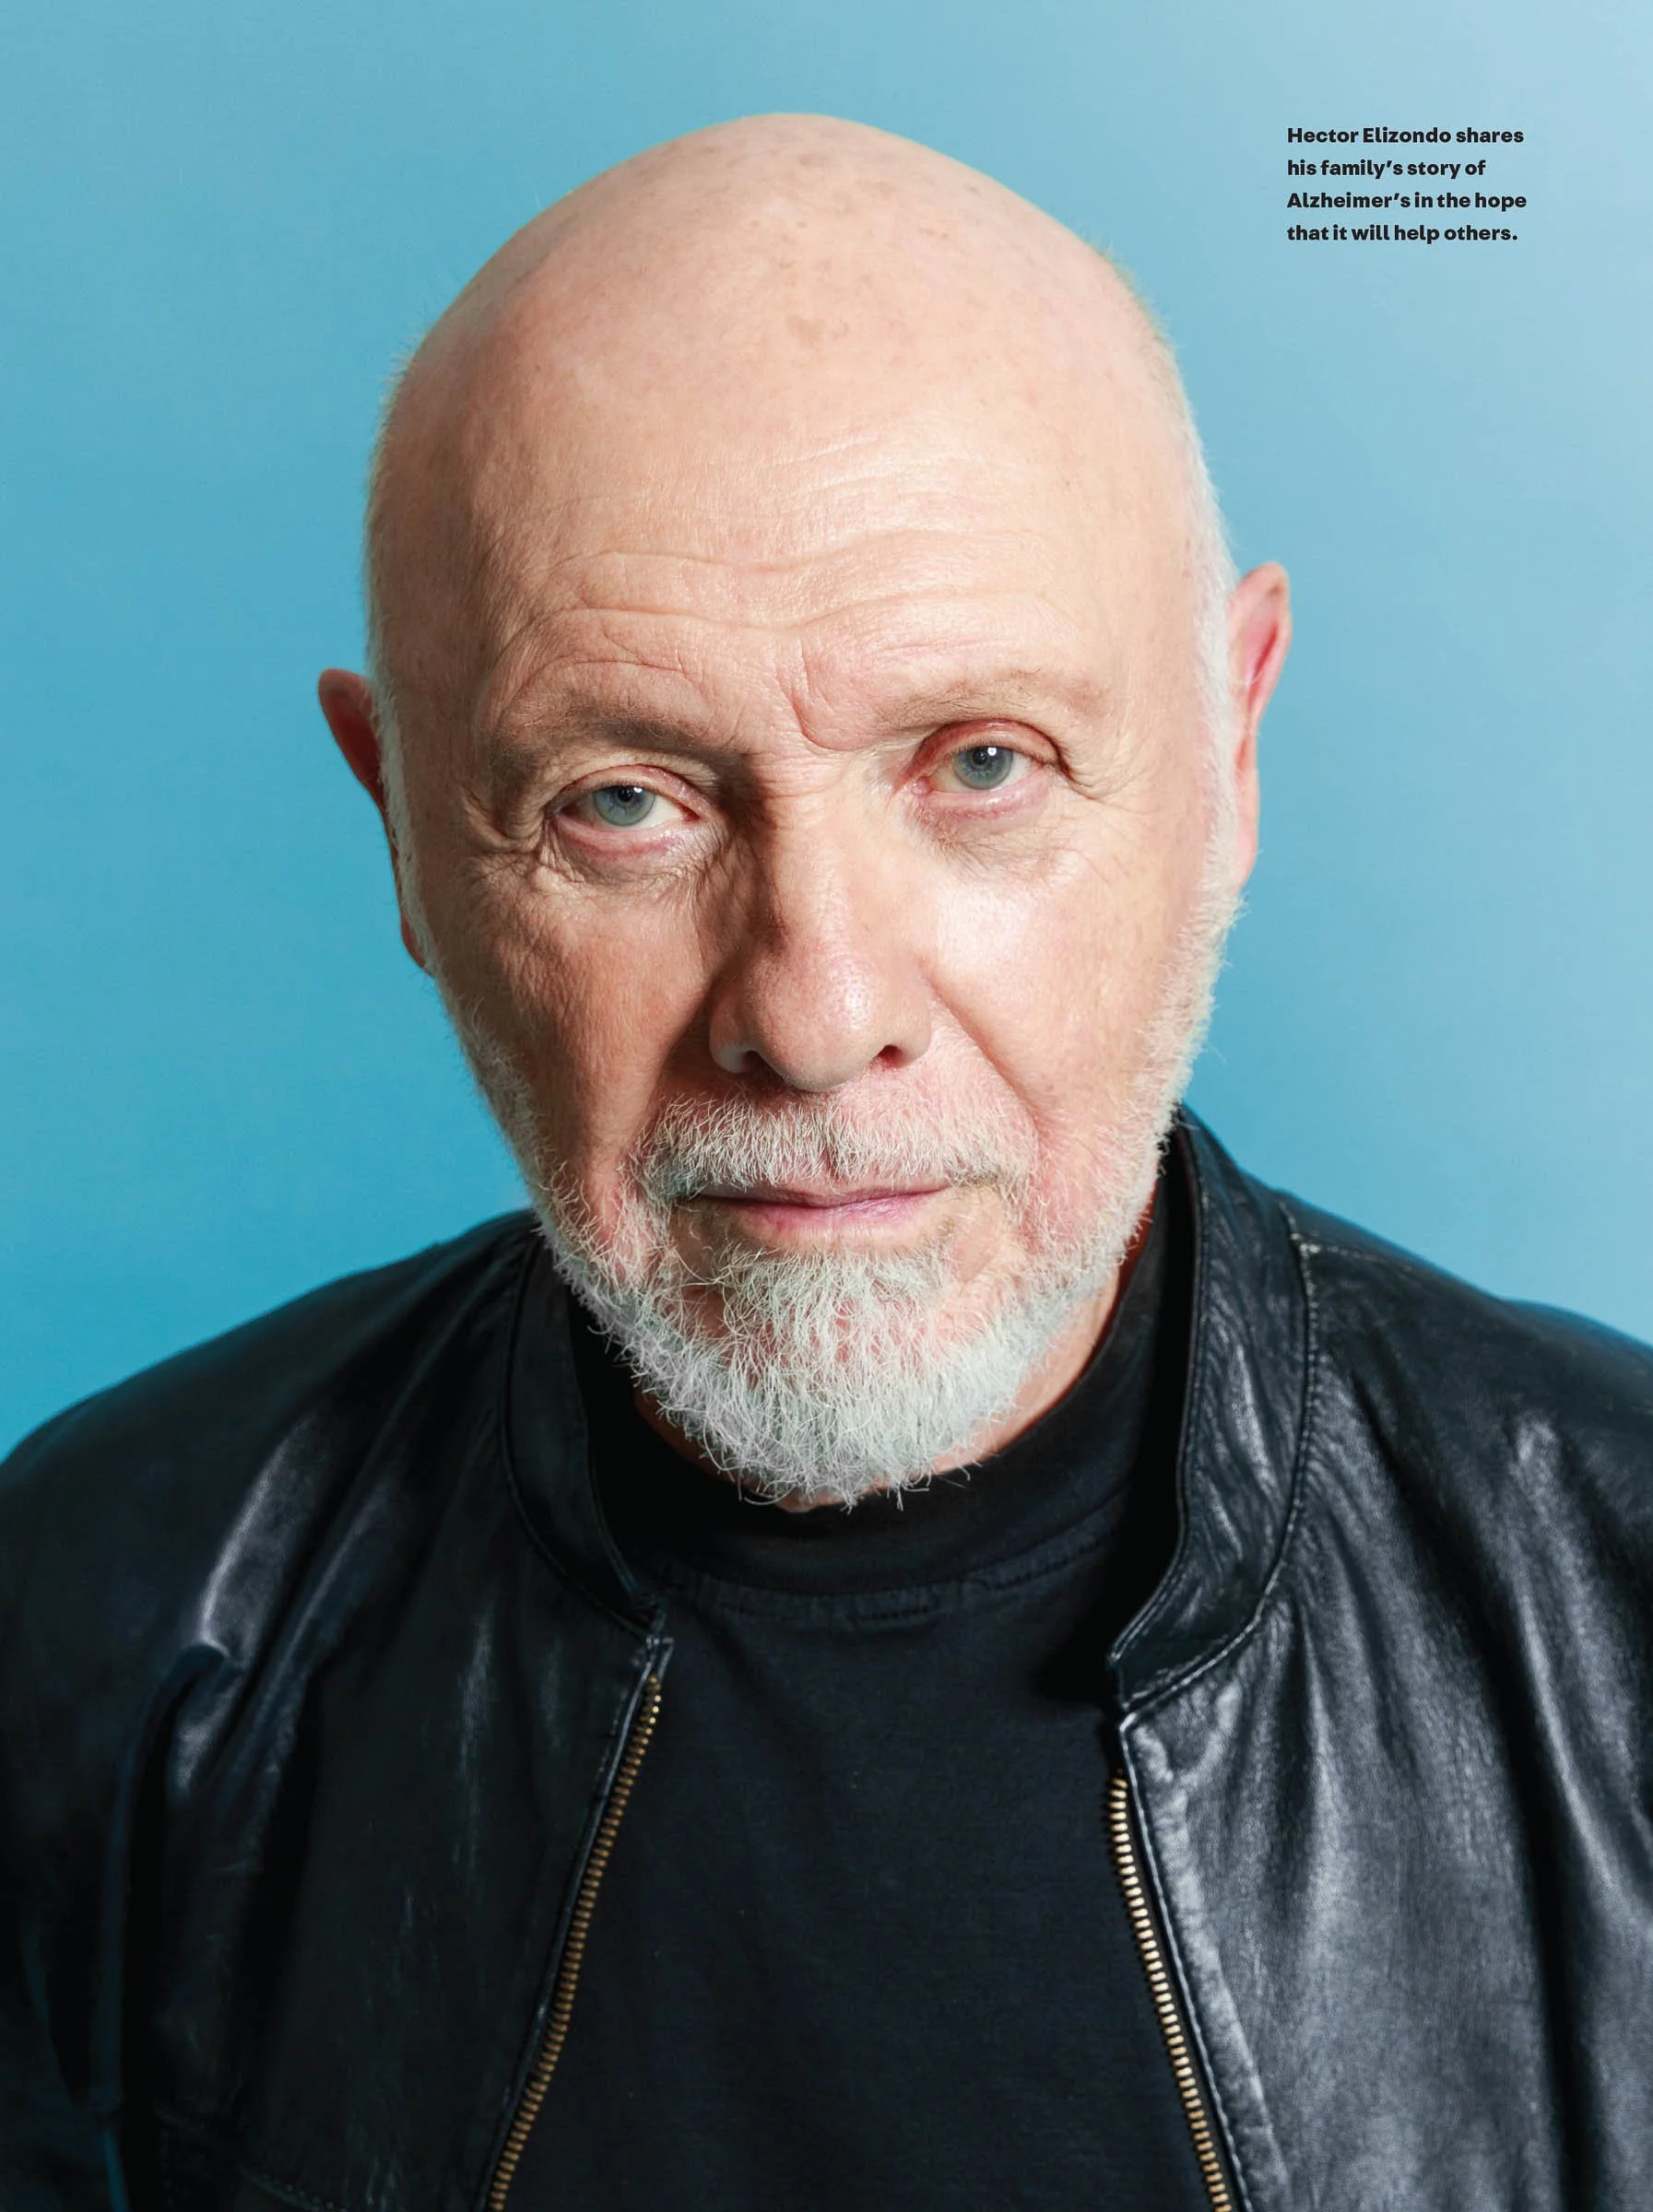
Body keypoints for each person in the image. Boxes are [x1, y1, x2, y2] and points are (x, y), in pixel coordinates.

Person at [2, 112, 1649, 2212]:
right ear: (403, 828)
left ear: (1228, 758)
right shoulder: (98, 1639)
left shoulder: (1616, 1614)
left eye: (979, 762)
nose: (811, 1003)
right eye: (622, 801)